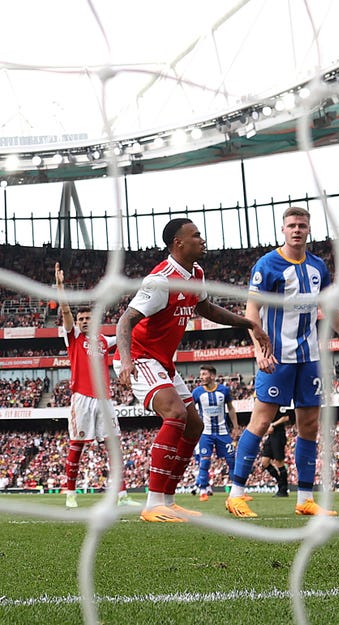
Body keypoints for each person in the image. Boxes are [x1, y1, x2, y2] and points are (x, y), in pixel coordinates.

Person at [114, 218, 273, 523]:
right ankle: (152, 503)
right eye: (196, 235)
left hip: (162, 361)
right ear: (179, 243)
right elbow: (125, 321)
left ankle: (168, 501)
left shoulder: (196, 274)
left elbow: (207, 310)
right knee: (175, 413)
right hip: (140, 357)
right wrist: (125, 360)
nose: (202, 239)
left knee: (193, 425)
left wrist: (249, 323)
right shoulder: (161, 280)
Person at [225, 206, 339, 518]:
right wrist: (260, 351)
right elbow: (252, 312)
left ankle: (305, 499)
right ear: (283, 230)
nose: (297, 230)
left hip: (310, 357)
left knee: (310, 426)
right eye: (292, 225)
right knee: (260, 422)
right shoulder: (268, 264)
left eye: (302, 225)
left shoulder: (318, 267)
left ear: (309, 229)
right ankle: (235, 494)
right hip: (278, 357)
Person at [54, 263, 139, 509]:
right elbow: (66, 311)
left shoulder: (104, 340)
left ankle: (122, 496)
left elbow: (126, 336)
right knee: (77, 445)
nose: (82, 321)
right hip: (81, 398)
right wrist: (60, 287)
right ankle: (71, 492)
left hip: (105, 400)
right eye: (80, 319)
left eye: (87, 318)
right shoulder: (74, 337)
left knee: (114, 446)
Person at [191, 364, 240, 501]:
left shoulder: (223, 390)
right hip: (206, 433)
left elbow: (230, 409)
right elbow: (190, 409)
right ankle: (203, 491)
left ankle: (237, 491)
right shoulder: (197, 392)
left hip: (223, 432)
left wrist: (235, 427)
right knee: (204, 461)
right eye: (201, 374)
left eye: (204, 374)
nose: (201, 377)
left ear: (212, 376)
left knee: (231, 460)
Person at [259, 406, 293, 497]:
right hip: (271, 436)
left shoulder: (280, 404)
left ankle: (283, 490)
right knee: (264, 462)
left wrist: (273, 425)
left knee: (279, 462)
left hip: (278, 435)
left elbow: (286, 417)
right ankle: (280, 481)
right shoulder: (269, 405)